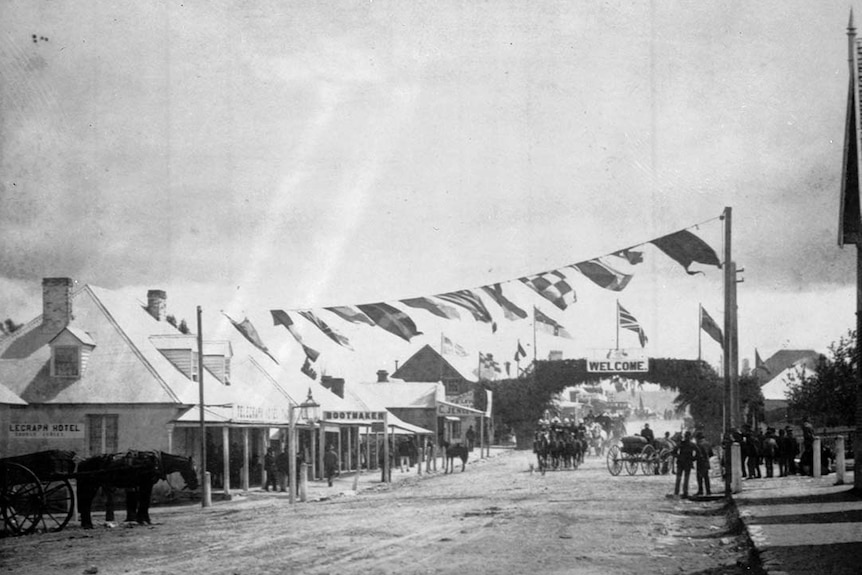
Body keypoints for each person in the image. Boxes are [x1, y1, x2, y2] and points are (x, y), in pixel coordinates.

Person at [673, 431, 698, 498]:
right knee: (682, 478)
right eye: (686, 436)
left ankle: (681, 492)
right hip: (685, 463)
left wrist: (693, 458)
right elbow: (674, 452)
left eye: (687, 436)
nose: (687, 437)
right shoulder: (688, 444)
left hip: (684, 463)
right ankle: (681, 492)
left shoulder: (683, 444)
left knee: (682, 478)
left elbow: (698, 453)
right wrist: (693, 458)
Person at [693, 431, 713, 497]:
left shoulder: (698, 444)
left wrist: (692, 459)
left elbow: (698, 455)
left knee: (699, 477)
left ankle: (700, 491)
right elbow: (711, 454)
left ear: (697, 438)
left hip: (700, 463)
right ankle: (708, 491)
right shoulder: (708, 443)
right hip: (706, 462)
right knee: (706, 477)